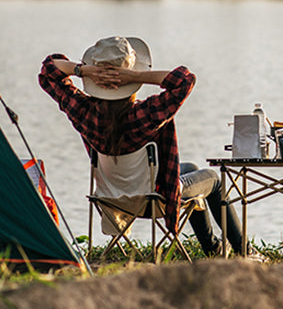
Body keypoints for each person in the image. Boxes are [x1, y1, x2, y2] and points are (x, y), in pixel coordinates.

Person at [39, 35, 264, 260]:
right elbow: (185, 80)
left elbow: (49, 70)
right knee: (213, 180)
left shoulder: (83, 111)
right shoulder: (145, 114)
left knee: (191, 167)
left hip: (112, 198)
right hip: (155, 199)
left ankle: (213, 247)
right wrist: (135, 75)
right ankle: (245, 251)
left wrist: (84, 71)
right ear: (129, 79)